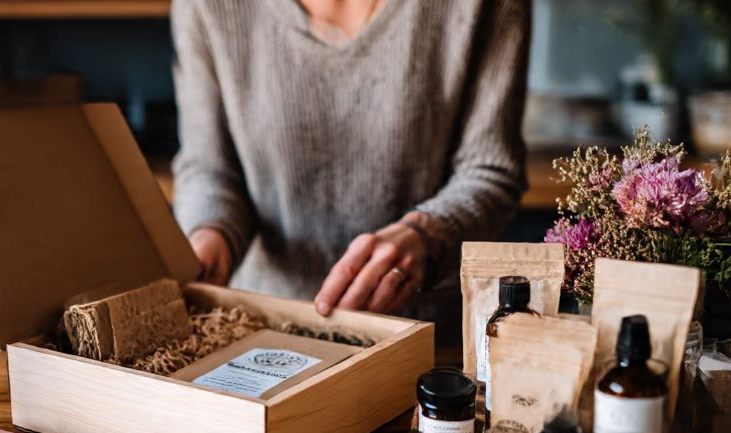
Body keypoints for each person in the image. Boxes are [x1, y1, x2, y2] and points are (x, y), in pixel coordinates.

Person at [171, 0, 530, 333]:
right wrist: (209, 232)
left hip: (422, 339)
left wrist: (427, 234)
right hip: (262, 328)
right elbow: (209, 165)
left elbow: (491, 171)